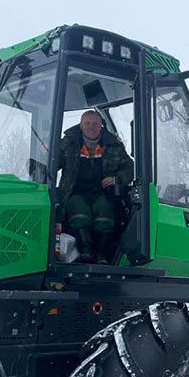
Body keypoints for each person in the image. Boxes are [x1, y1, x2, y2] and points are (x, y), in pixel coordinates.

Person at [56, 110, 134, 263]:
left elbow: (130, 168)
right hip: (76, 192)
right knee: (78, 209)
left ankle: (101, 254)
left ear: (101, 126)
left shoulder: (114, 146)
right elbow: (53, 163)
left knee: (104, 210)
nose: (91, 127)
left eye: (95, 124)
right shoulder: (68, 145)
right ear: (81, 126)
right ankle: (86, 251)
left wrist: (116, 179)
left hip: (102, 193)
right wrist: (43, 157)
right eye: (87, 123)